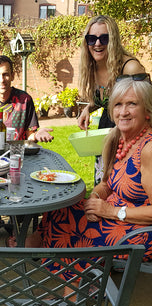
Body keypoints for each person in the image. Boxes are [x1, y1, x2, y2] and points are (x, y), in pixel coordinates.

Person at [25, 77, 152, 282]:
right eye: (118, 104)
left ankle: (79, 290)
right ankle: (78, 277)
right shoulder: (117, 139)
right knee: (60, 208)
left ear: (147, 110)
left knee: (81, 230)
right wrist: (95, 198)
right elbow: (106, 184)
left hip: (138, 230)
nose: (123, 111)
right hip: (114, 213)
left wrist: (110, 212)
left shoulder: (149, 149)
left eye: (132, 104)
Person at [0, 55, 54, 243]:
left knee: (23, 185)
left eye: (6, 74)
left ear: (12, 75)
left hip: (19, 157)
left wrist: (37, 134)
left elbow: (30, 135)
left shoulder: (24, 100)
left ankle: (17, 227)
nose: (2, 79)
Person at [77, 15, 146, 184]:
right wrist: (88, 108)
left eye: (104, 38)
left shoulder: (130, 68)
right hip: (106, 135)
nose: (97, 44)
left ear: (113, 40)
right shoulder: (93, 66)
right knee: (103, 187)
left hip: (130, 139)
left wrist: (120, 132)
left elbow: (147, 109)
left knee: (125, 189)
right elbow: (105, 98)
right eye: (92, 39)